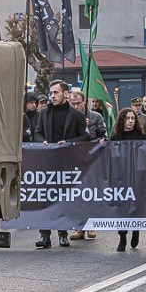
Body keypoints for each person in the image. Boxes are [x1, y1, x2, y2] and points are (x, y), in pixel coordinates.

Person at [32, 79, 91, 248]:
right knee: (45, 199)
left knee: (63, 200)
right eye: (51, 93)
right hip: (47, 163)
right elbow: (37, 133)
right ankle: (44, 235)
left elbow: (85, 136)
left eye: (56, 92)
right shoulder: (44, 113)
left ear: (66, 94)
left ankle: (63, 234)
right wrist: (42, 141)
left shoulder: (77, 115)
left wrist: (68, 142)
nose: (53, 96)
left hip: (67, 163)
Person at [110, 107, 146, 251]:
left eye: (133, 118)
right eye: (128, 118)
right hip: (121, 178)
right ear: (122, 120)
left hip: (138, 178)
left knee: (136, 206)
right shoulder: (115, 137)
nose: (131, 121)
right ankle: (122, 237)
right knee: (122, 208)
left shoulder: (141, 137)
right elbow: (109, 155)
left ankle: (136, 231)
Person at [67, 89, 105, 241]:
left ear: (84, 102)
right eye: (73, 103)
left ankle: (91, 225)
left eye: (78, 103)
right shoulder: (68, 117)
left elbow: (103, 136)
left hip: (91, 160)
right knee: (76, 195)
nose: (76, 106)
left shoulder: (96, 117)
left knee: (90, 193)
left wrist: (90, 132)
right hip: (74, 160)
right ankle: (79, 227)